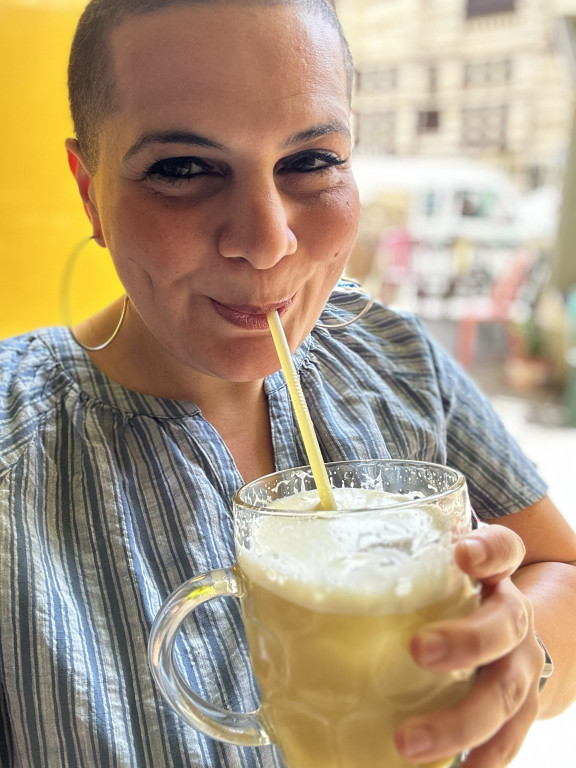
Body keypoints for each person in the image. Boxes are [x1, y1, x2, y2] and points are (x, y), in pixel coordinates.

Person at [1, 1, 575, 766]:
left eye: (311, 161)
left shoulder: (395, 356)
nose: (268, 242)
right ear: (90, 191)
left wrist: (522, 654)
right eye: (182, 169)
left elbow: (558, 569)